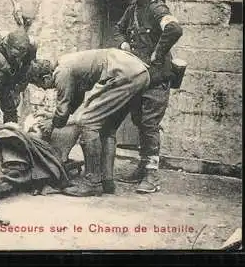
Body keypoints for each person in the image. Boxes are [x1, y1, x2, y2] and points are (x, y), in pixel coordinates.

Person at [26, 48, 154, 197]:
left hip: (122, 74)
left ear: (46, 76)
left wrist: (52, 123)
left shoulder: (61, 72)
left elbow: (63, 106)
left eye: (41, 85)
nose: (44, 88)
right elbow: (75, 100)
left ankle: (92, 182)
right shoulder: (69, 64)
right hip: (139, 73)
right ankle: (107, 181)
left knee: (87, 122)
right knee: (107, 128)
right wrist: (56, 117)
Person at [112, 0, 183, 193]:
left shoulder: (156, 8)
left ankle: (152, 175)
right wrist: (123, 43)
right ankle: (143, 167)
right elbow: (118, 29)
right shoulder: (132, 9)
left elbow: (174, 29)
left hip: (157, 78)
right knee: (140, 121)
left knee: (150, 124)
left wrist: (158, 54)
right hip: (139, 77)